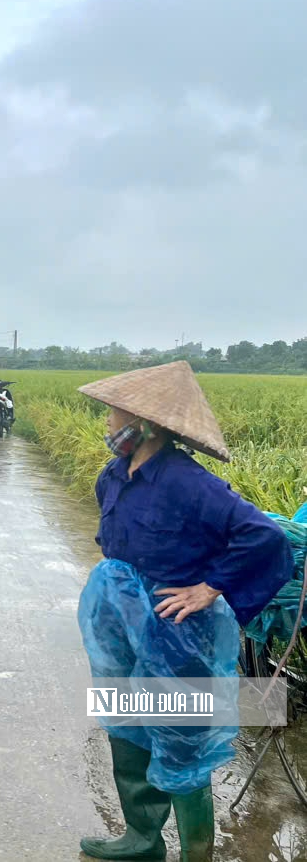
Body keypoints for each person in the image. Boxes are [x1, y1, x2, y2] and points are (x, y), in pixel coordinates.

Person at [75, 361, 293, 861]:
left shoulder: (187, 481)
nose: (108, 423)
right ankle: (141, 838)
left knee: (181, 745)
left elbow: (263, 537)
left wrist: (209, 587)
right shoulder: (115, 473)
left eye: (113, 415)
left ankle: (196, 855)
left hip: (177, 635)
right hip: (122, 623)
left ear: (144, 424)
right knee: (126, 723)